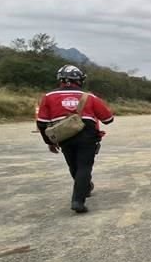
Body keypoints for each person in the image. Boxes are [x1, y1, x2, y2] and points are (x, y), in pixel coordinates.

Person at [37, 65, 114, 213]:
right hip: (87, 136)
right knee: (84, 166)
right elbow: (108, 119)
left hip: (64, 136)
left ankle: (83, 188)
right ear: (79, 80)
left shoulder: (48, 97)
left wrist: (50, 141)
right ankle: (78, 200)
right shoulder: (89, 97)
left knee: (74, 166)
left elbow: (41, 123)